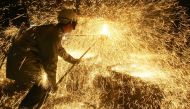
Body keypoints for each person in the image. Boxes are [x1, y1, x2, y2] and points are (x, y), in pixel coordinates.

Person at [6, 9, 79, 108]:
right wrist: (53, 83)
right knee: (44, 84)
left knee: (44, 84)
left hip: (19, 57)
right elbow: (50, 61)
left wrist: (72, 60)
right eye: (74, 24)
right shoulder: (54, 34)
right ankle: (25, 107)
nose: (73, 28)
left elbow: (59, 50)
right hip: (22, 59)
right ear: (69, 22)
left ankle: (30, 106)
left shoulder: (54, 31)